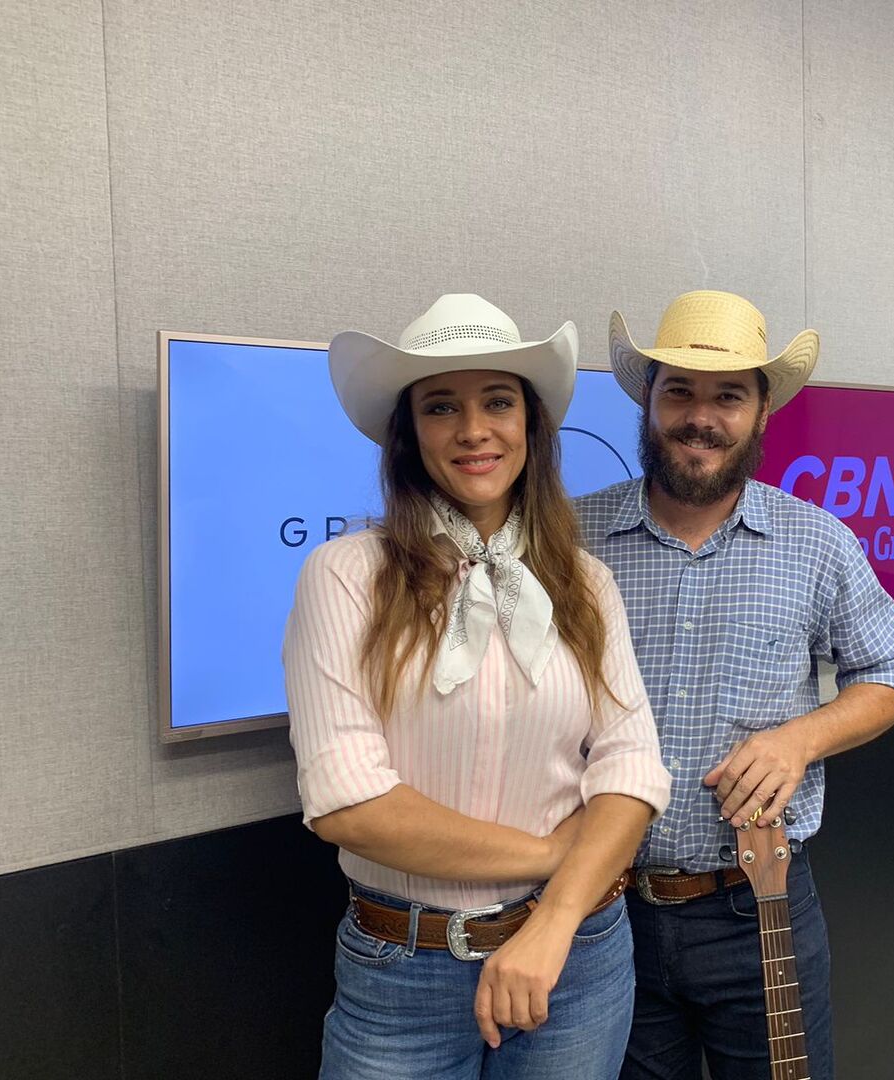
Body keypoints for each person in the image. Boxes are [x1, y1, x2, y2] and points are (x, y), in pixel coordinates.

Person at [284, 293, 670, 1080]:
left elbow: (632, 770)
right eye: (440, 407)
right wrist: (549, 852)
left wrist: (556, 914)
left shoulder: (586, 585)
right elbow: (349, 802)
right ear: (408, 433)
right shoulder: (346, 576)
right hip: (405, 972)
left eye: (497, 401)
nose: (473, 430)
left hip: (579, 956)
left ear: (530, 423)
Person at [574, 290, 894, 1080]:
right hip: (601, 909)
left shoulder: (817, 542)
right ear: (648, 401)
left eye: (729, 396)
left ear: (762, 413)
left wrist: (800, 738)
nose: (702, 417)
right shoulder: (569, 538)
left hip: (757, 905)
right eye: (681, 392)